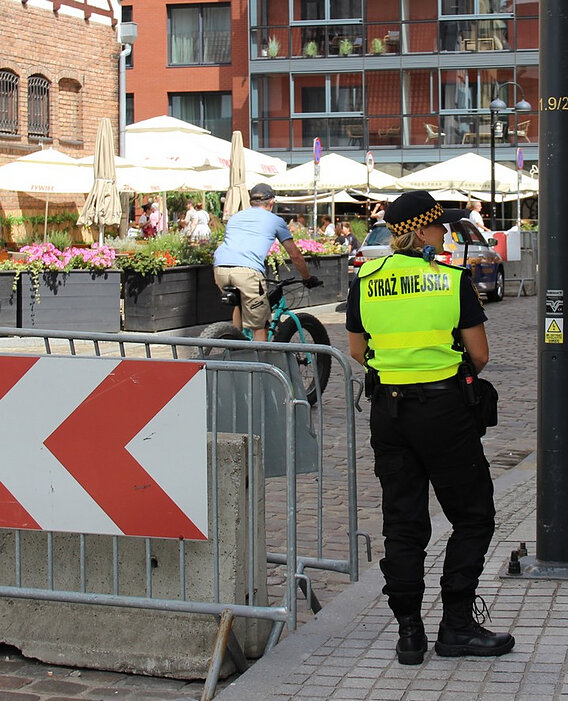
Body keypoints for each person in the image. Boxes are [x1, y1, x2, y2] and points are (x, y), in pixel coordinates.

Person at [345, 190, 514, 666]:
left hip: (390, 413)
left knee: (403, 522)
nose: (445, 233)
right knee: (473, 515)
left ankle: (409, 632)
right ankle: (457, 624)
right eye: (439, 226)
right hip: (444, 413)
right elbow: (479, 355)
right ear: (420, 230)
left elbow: (358, 351)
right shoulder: (449, 280)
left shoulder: (365, 279)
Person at [213, 183, 319, 341]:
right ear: (271, 202)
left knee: (240, 303)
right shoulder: (275, 220)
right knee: (260, 325)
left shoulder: (235, 218)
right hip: (247, 272)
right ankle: (260, 363)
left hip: (220, 269)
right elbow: (295, 254)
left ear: (251, 202)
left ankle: (235, 345)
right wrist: (307, 278)